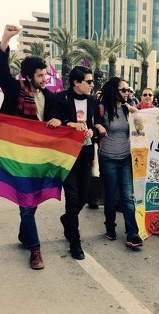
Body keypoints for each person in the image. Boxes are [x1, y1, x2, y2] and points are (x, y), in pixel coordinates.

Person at [0, 24, 56, 270]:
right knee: (27, 202)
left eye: (45, 75)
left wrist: (60, 120)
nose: (44, 79)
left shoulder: (50, 96)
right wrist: (5, 39)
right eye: (40, 76)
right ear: (29, 76)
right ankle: (35, 249)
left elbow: (63, 114)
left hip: (40, 157)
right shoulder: (14, 90)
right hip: (17, 155)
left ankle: (24, 232)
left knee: (33, 201)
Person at [51, 66, 101, 260]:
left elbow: (98, 125)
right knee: (72, 198)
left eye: (92, 82)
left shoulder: (93, 102)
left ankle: (67, 219)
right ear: (76, 82)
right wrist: (67, 124)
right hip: (66, 156)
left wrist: (93, 132)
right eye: (88, 81)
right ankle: (75, 242)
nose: (91, 85)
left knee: (83, 197)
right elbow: (51, 121)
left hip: (86, 154)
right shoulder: (60, 98)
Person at [96, 76, 143, 248]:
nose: (127, 92)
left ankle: (132, 233)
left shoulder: (127, 109)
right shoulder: (101, 109)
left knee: (127, 197)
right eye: (123, 90)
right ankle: (110, 227)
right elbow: (92, 123)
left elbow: (141, 125)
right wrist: (97, 127)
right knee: (110, 195)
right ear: (113, 91)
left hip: (125, 159)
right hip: (107, 158)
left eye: (128, 89)